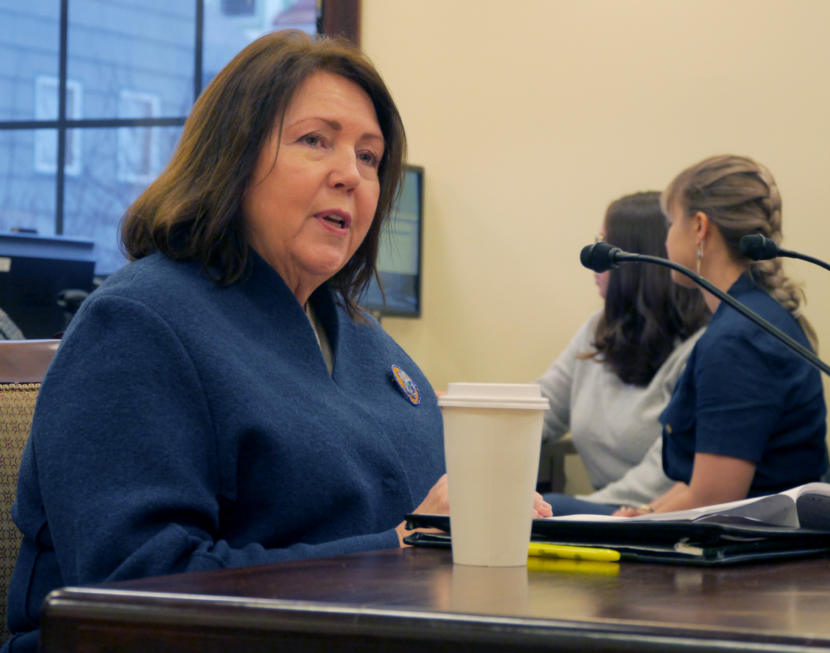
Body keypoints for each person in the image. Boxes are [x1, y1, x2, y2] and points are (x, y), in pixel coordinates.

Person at [2, 30, 552, 651]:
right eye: (315, 140)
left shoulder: (358, 335)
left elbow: (431, 521)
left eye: (369, 157)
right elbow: (133, 588)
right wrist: (400, 548)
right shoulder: (137, 325)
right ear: (231, 155)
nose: (350, 175)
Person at [617, 154, 827, 516]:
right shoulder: (749, 318)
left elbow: (714, 501)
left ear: (700, 227)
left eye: (671, 223)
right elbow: (701, 480)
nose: (666, 239)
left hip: (759, 548)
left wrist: (636, 525)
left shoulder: (737, 341)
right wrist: (646, 512)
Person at [537, 192, 710, 515]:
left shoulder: (702, 347)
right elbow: (541, 406)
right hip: (605, 510)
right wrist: (465, 410)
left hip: (654, 513)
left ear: (638, 261)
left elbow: (664, 476)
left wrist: (575, 511)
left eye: (604, 245)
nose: (592, 260)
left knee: (542, 508)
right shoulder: (598, 328)